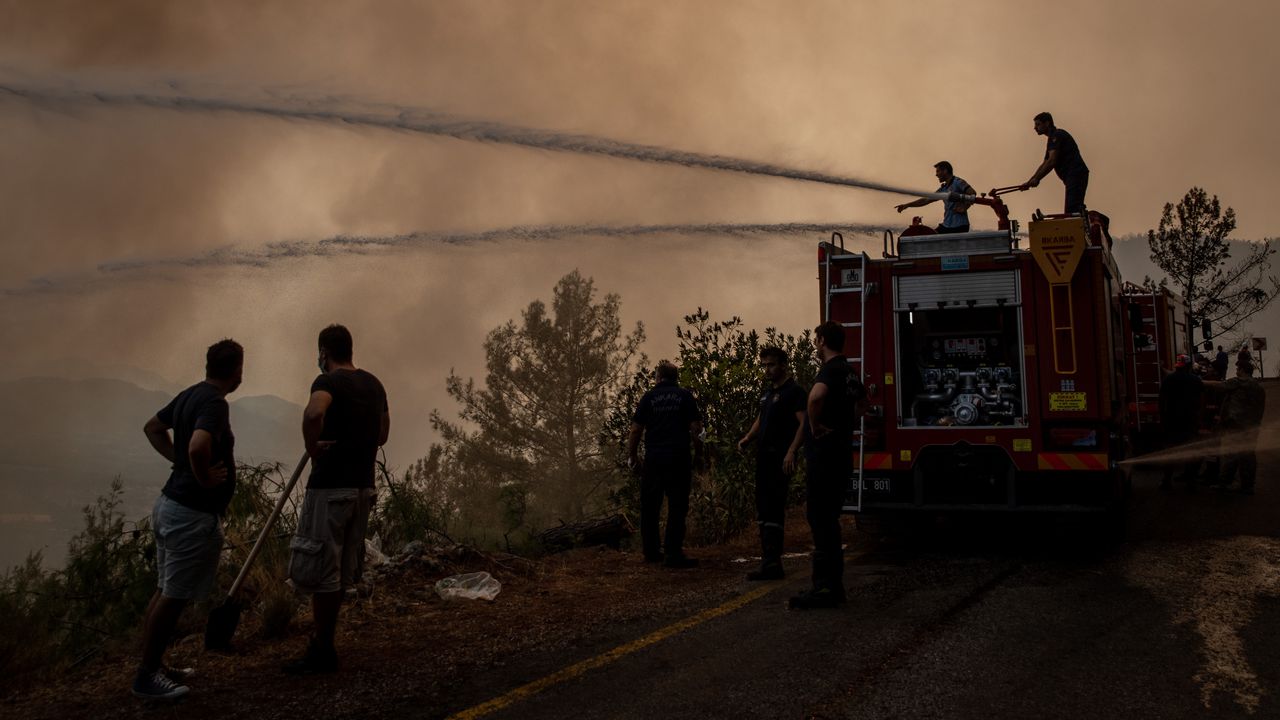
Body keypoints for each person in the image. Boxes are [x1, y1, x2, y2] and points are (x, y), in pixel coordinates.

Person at [133, 339, 243, 700]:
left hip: (170, 504)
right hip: (190, 513)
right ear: (237, 370)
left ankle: (154, 665)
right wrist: (202, 475)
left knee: (165, 590)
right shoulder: (214, 403)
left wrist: (178, 462)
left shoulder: (189, 394)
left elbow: (152, 427)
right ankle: (147, 677)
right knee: (174, 596)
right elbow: (198, 446)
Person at [285, 324, 390, 674]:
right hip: (363, 488)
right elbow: (384, 434)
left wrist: (311, 445)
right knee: (342, 571)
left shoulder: (327, 383)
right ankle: (324, 643)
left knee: (323, 572)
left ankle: (323, 650)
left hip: (330, 488)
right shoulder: (374, 385)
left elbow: (314, 413)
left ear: (324, 353)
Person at [790, 322, 863, 610]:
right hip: (842, 454)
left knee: (820, 518)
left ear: (821, 341)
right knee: (828, 519)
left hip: (825, 457)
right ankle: (834, 586)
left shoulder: (830, 370)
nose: (814, 343)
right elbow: (862, 404)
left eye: (815, 339)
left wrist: (816, 425)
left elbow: (816, 397)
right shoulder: (849, 371)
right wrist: (847, 424)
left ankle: (825, 588)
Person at [737, 347, 807, 581]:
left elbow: (803, 424)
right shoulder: (768, 393)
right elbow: (761, 417)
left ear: (783, 365)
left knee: (774, 508)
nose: (767, 369)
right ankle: (768, 562)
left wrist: (791, 451)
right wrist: (748, 438)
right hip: (763, 458)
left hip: (780, 459)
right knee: (764, 508)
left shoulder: (794, 392)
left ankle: (773, 564)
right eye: (764, 365)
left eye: (771, 365)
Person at [628, 361, 704, 569]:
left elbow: (636, 430)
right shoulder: (685, 396)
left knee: (650, 506)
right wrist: (698, 454)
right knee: (678, 506)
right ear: (675, 378)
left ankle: (651, 552)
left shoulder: (648, 397)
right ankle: (673, 553)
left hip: (654, 460)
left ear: (658, 378)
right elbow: (696, 429)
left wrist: (633, 456)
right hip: (678, 459)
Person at [1209, 358, 1266, 494]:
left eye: (1237, 369)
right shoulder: (1258, 387)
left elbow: (1219, 386)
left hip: (1236, 426)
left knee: (1230, 454)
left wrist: (1197, 381)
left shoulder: (1239, 382)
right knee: (1248, 456)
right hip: (1252, 427)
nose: (1236, 371)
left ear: (1242, 370)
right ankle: (1248, 486)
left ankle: (1224, 483)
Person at [1021, 112, 1090, 214]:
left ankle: (1098, 220)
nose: (1035, 128)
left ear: (1047, 123)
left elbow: (1051, 161)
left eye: (1038, 124)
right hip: (1074, 176)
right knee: (1075, 209)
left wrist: (1036, 179)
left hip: (1076, 174)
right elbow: (1045, 163)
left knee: (1072, 210)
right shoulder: (1052, 139)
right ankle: (1092, 222)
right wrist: (1030, 181)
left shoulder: (1056, 136)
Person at [1158, 354, 1204, 490]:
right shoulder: (1196, 380)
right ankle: (1191, 481)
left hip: (1171, 421)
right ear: (1189, 366)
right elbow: (1202, 401)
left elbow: (1161, 401)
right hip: (1190, 421)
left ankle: (1167, 480)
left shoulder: (1168, 380)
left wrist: (1162, 419)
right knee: (1191, 450)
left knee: (1170, 451)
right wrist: (1200, 420)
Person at [894, 161, 976, 234]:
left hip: (959, 226)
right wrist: (907, 205)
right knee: (929, 236)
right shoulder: (943, 189)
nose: (936, 174)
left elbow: (972, 193)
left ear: (945, 171)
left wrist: (965, 207)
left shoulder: (958, 182)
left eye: (938, 171)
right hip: (946, 225)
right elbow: (926, 200)